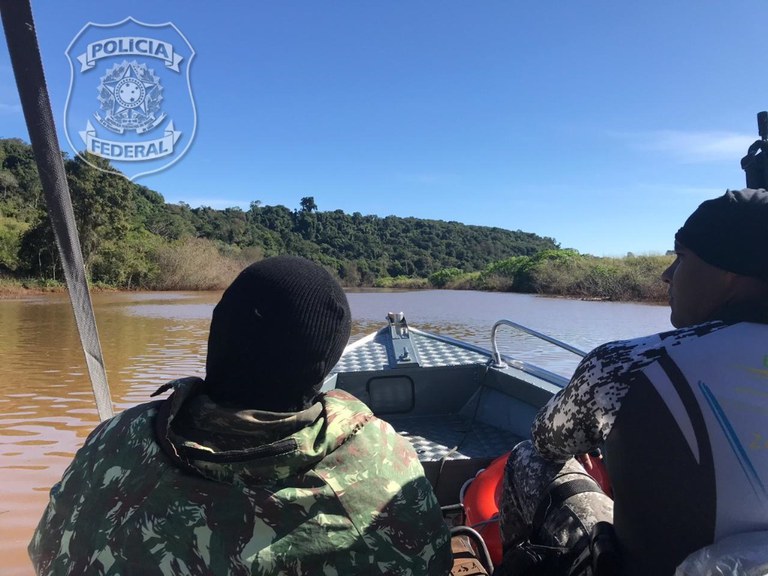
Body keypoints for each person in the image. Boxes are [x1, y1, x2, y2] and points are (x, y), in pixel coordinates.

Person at [29, 255, 452, 575]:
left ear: (219, 334)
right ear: (324, 363)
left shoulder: (116, 436)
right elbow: (433, 561)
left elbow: (43, 547)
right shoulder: (379, 462)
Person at [498, 189, 768, 576]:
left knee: (529, 458)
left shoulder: (626, 365)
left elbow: (546, 440)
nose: (667, 275)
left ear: (732, 270)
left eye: (681, 257)